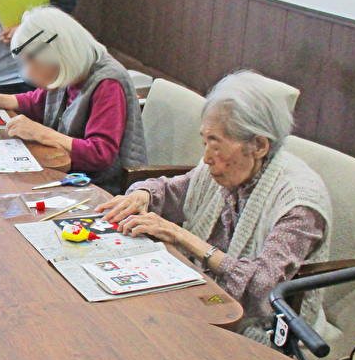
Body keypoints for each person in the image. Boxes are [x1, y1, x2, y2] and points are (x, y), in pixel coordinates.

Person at [96, 70, 336, 344]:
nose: (206, 157)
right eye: (204, 141)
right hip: (208, 292)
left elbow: (262, 289)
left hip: (267, 330)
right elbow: (174, 192)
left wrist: (182, 236)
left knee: (135, 334)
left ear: (259, 145)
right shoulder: (231, 168)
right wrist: (142, 196)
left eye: (215, 144)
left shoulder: (299, 205)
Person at [0, 6, 146, 194]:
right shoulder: (70, 69)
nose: (28, 71)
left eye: (32, 61)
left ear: (54, 54)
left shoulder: (108, 82)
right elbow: (36, 102)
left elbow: (100, 154)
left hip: (100, 188)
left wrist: (41, 133)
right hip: (70, 175)